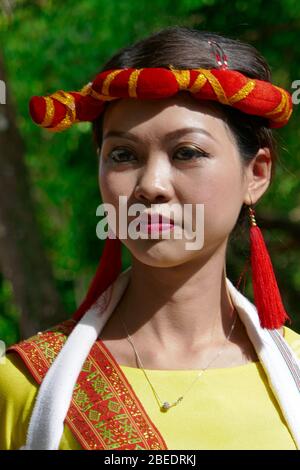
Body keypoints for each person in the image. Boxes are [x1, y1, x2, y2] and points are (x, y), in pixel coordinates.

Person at [1, 26, 300, 451]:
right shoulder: (26, 385)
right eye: (123, 155)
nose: (151, 185)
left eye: (187, 153)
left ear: (257, 174)